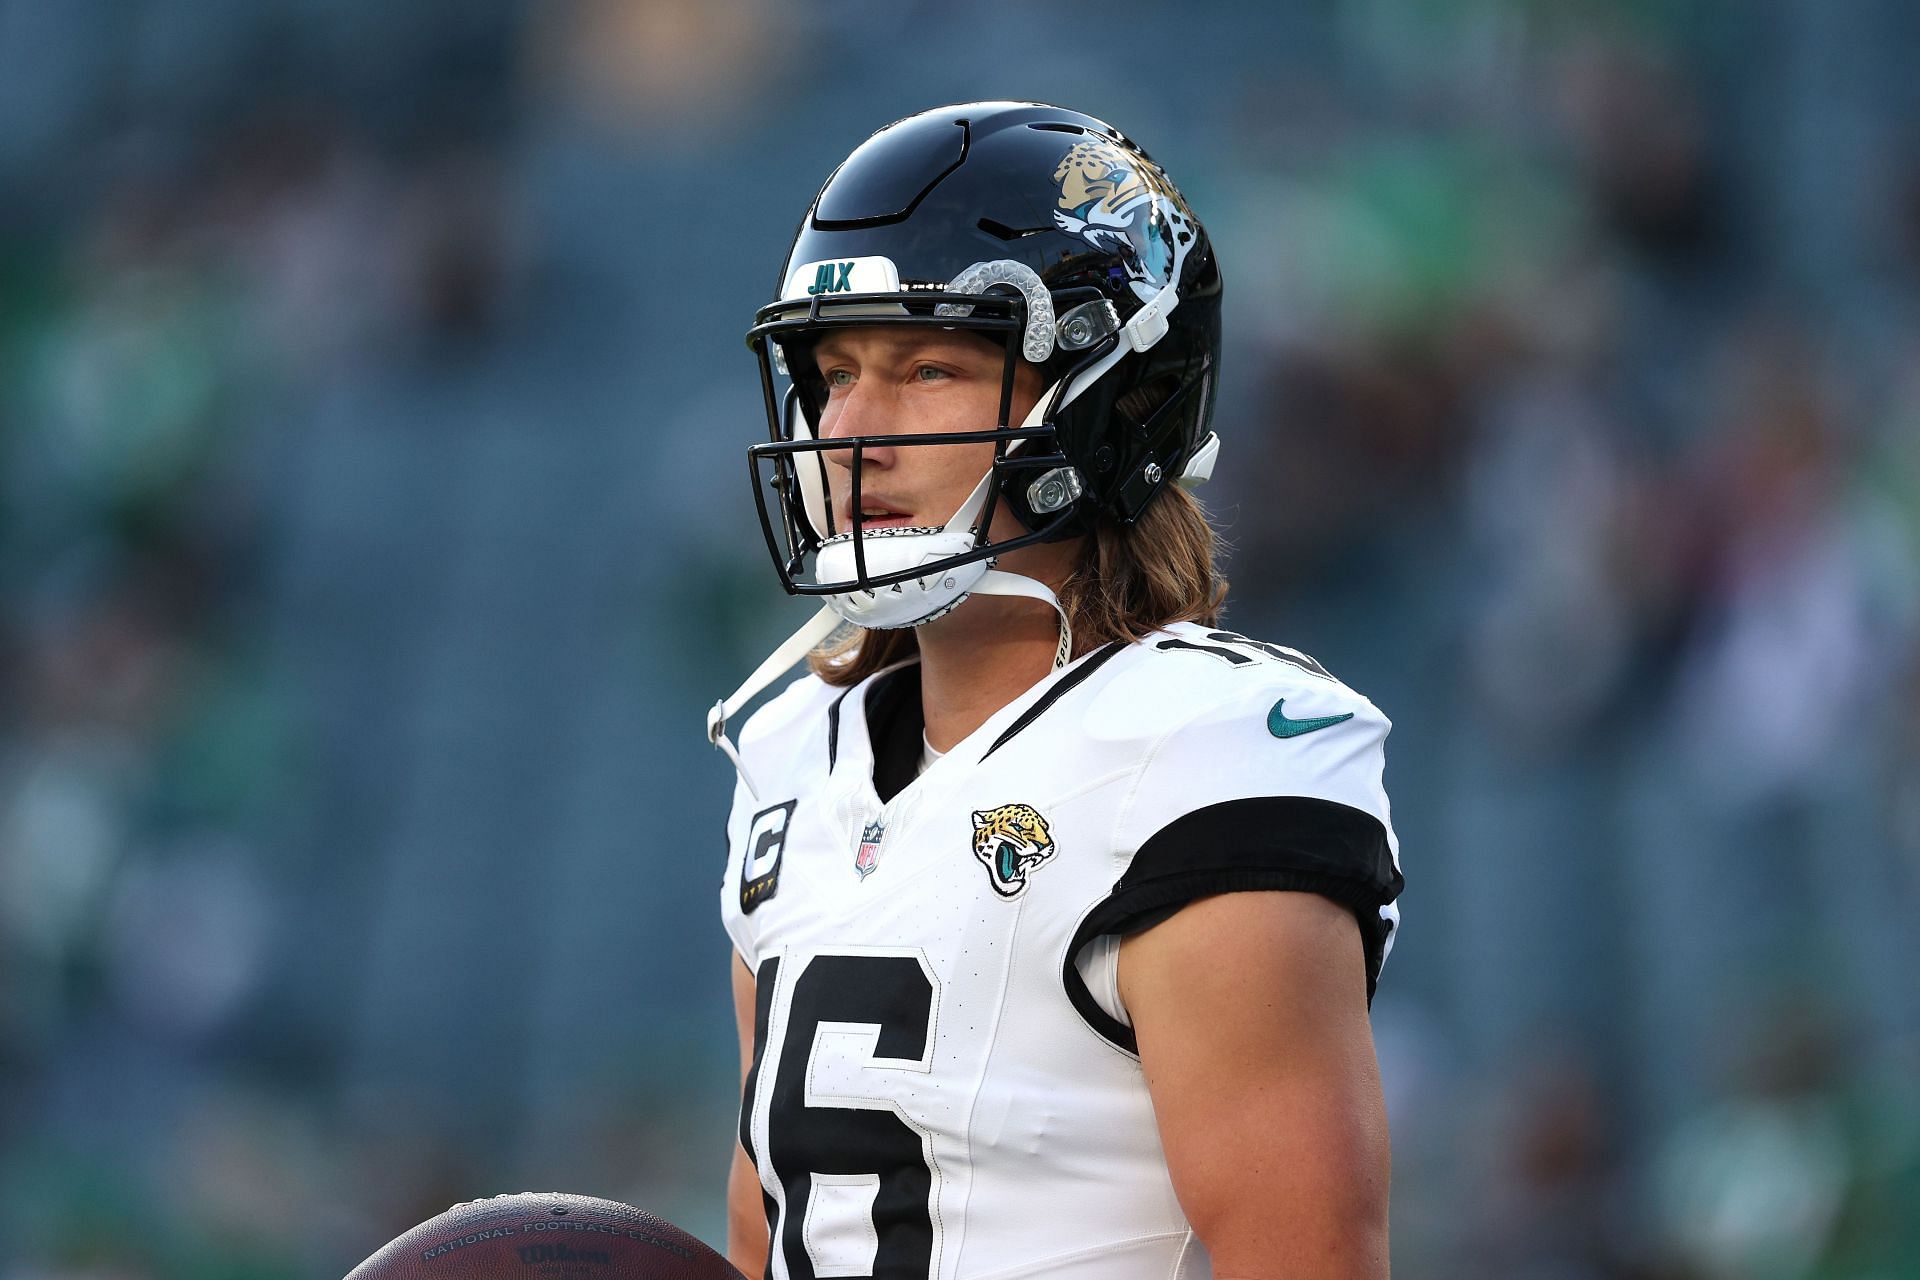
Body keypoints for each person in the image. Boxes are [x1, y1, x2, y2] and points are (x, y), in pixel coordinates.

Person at [707, 102, 1404, 1280]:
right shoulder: (793, 758)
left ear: (1109, 393)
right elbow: (764, 1236)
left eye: (929, 368)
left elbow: (1305, 1257)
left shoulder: (1200, 751)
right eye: (833, 375)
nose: (851, 433)